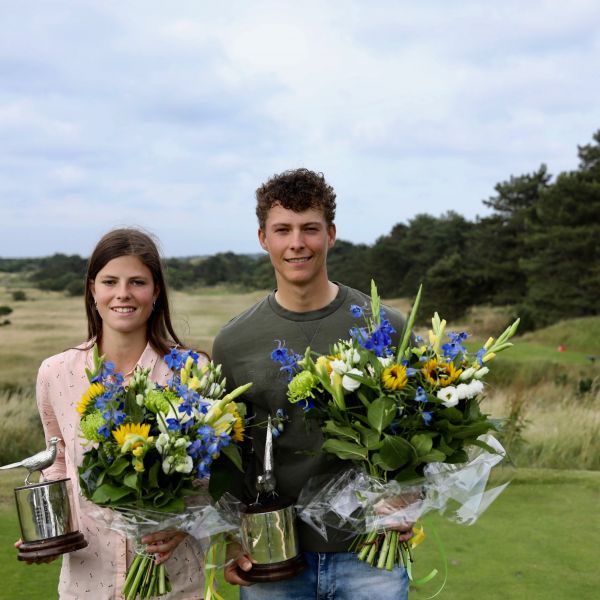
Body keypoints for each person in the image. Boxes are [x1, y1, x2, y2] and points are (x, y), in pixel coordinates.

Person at [212, 168, 413, 599]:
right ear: (263, 237)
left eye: (310, 229)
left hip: (371, 551)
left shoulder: (387, 326)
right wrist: (232, 538)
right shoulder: (233, 342)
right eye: (283, 230)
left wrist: (408, 501)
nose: (297, 243)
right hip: (272, 557)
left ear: (332, 234)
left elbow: (418, 431)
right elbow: (229, 455)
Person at [16, 228, 206, 599]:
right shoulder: (56, 373)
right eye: (110, 281)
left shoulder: (191, 370)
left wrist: (183, 525)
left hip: (175, 583)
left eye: (137, 281)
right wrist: (47, 531)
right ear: (92, 290)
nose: (123, 294)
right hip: (87, 581)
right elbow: (57, 464)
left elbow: (213, 476)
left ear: (155, 292)